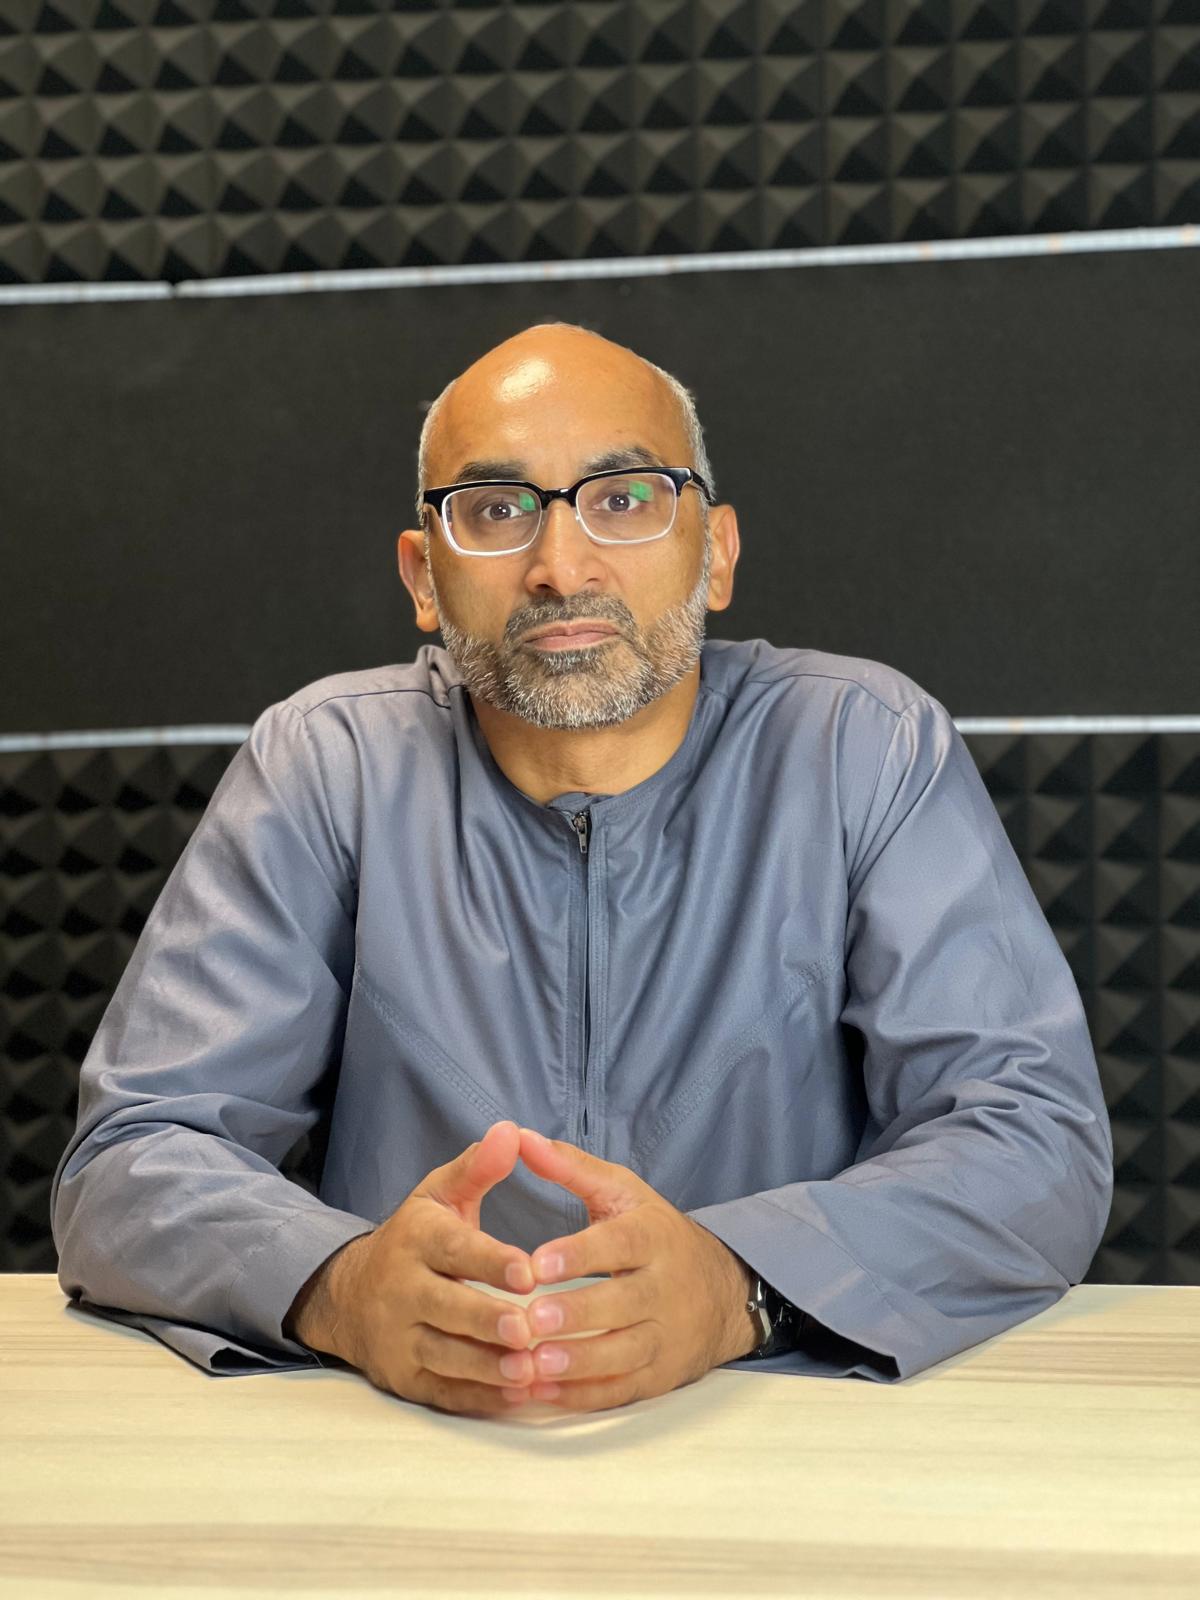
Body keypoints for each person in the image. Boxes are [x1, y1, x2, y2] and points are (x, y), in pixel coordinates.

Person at [51, 320, 1113, 1418]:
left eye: (625, 496)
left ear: (719, 551)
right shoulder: (327, 766)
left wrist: (738, 1286)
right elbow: (133, 1158)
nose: (561, 567)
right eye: (496, 511)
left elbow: (1034, 1143)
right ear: (424, 576)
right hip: (408, 1455)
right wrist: (340, 1287)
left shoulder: (865, 748)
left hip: (786, 1440)